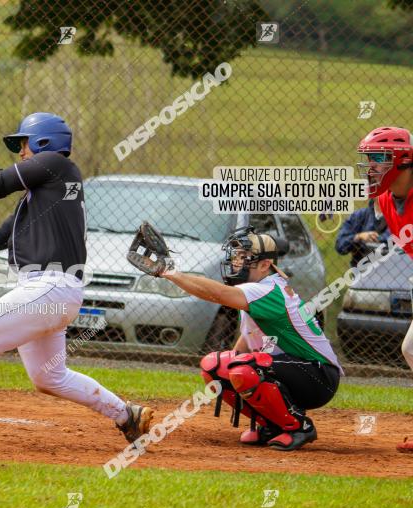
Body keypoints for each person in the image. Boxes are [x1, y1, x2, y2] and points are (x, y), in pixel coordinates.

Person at [0, 112, 153, 450]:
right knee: (49, 376)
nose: (22, 153)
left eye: (24, 144)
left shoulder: (57, 165)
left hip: (50, 286)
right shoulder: (39, 197)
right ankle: (126, 415)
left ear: (44, 142)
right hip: (50, 290)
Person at [149, 226, 342, 451]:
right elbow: (249, 337)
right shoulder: (260, 288)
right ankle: (272, 425)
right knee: (216, 366)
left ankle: (298, 427)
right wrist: (229, 371)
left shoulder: (266, 290)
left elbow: (217, 294)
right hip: (300, 370)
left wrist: (171, 272)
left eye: (244, 257)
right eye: (236, 256)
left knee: (243, 369)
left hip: (319, 377)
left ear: (264, 265)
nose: (235, 262)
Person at [357, 126, 413, 453]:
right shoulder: (384, 198)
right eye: (368, 159)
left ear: (403, 161)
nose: (371, 167)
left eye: (378, 158)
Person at [334, 198, 391, 268]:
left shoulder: (400, 215)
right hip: (363, 271)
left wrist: (369, 241)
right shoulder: (359, 215)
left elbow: (391, 239)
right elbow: (340, 245)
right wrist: (358, 237)